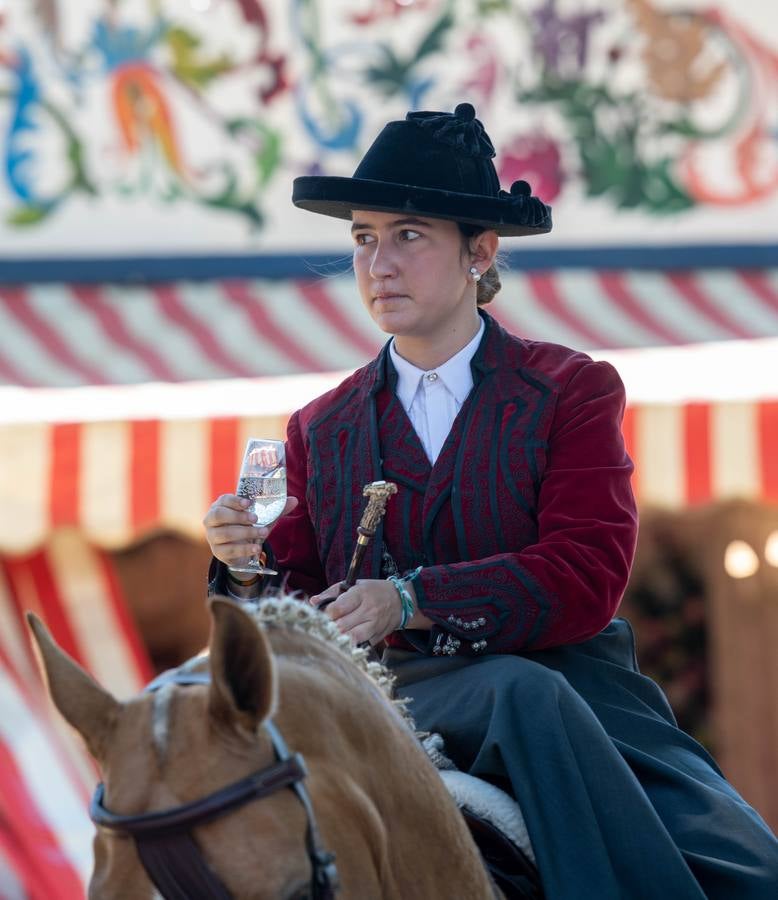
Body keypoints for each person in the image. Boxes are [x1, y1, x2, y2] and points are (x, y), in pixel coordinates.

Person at [204, 103, 778, 898]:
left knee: (758, 871)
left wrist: (411, 598)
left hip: (582, 694)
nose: (379, 265)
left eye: (408, 235)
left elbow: (587, 575)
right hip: (395, 697)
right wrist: (242, 566)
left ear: (480, 250)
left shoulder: (571, 389)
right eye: (363, 238)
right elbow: (296, 613)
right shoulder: (319, 427)